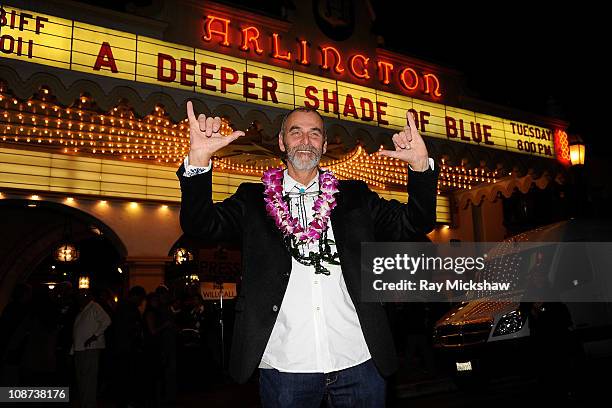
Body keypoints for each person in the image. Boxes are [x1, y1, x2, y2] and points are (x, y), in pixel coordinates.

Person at [176, 102, 438, 407]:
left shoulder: (355, 197)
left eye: (315, 134)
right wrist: (198, 161)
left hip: (358, 360)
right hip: (285, 366)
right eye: (296, 132)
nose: (305, 140)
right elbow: (200, 224)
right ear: (281, 141)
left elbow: (415, 222)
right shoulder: (252, 199)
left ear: (324, 145)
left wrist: (420, 167)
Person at [72, 291, 111, 408]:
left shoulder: (94, 306)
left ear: (90, 297)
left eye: (84, 295)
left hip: (90, 348)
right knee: (82, 379)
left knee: (89, 380)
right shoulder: (82, 310)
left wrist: (94, 336)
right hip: (80, 349)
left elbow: (107, 321)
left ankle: (89, 404)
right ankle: (85, 403)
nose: (81, 298)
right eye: (79, 296)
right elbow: (77, 332)